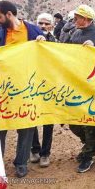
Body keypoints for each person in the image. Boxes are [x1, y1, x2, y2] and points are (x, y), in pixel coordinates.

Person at [0, 0, 44, 178]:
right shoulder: (0, 34)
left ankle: (21, 163)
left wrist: (43, 42)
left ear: (9, 14)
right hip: (4, 88)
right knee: (0, 126)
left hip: (27, 87)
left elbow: (48, 51)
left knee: (26, 126)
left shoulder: (32, 31)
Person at [68, 4, 95, 173]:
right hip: (77, 82)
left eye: (77, 17)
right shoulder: (75, 34)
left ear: (86, 19)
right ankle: (89, 146)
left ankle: (88, 156)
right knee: (73, 122)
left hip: (94, 85)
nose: (74, 20)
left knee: (91, 121)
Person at [30, 13, 56, 167]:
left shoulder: (56, 42)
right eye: (40, 23)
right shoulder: (29, 40)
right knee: (31, 116)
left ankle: (45, 153)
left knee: (48, 121)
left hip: (49, 85)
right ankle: (34, 149)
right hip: (32, 84)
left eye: (47, 24)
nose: (43, 26)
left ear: (52, 26)